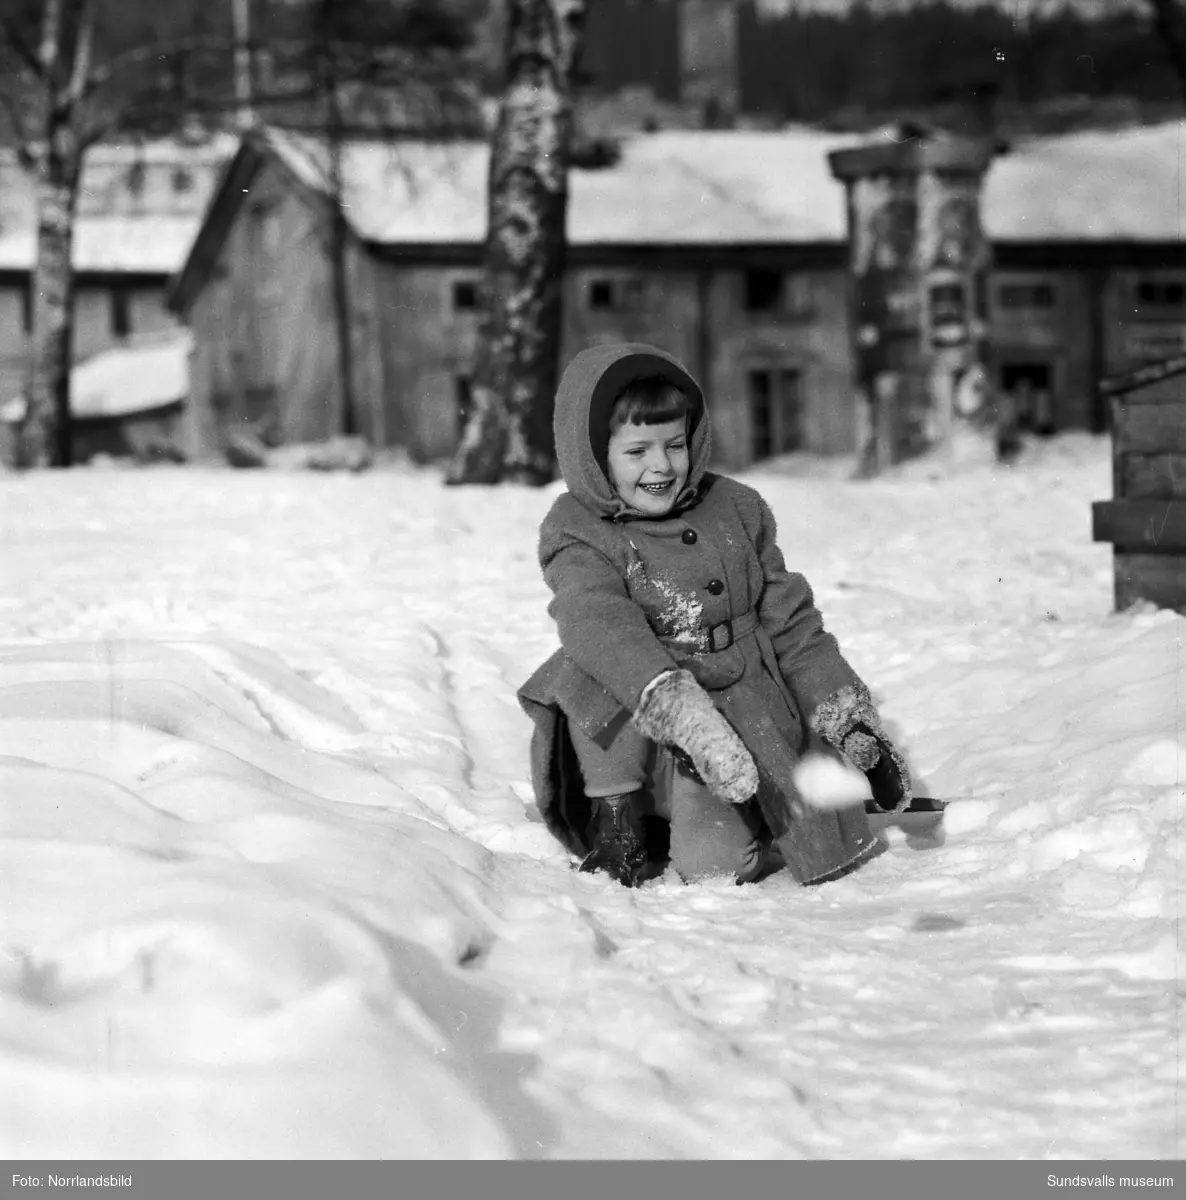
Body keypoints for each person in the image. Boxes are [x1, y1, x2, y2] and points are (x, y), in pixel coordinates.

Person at [518, 344, 913, 888]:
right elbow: (595, 617)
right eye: (637, 451)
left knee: (714, 868)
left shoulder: (738, 508)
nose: (662, 466)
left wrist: (845, 716)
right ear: (593, 456)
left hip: (736, 707)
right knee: (592, 664)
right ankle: (619, 822)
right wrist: (680, 715)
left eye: (675, 444)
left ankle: (737, 813)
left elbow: (792, 624)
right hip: (644, 715)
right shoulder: (577, 528)